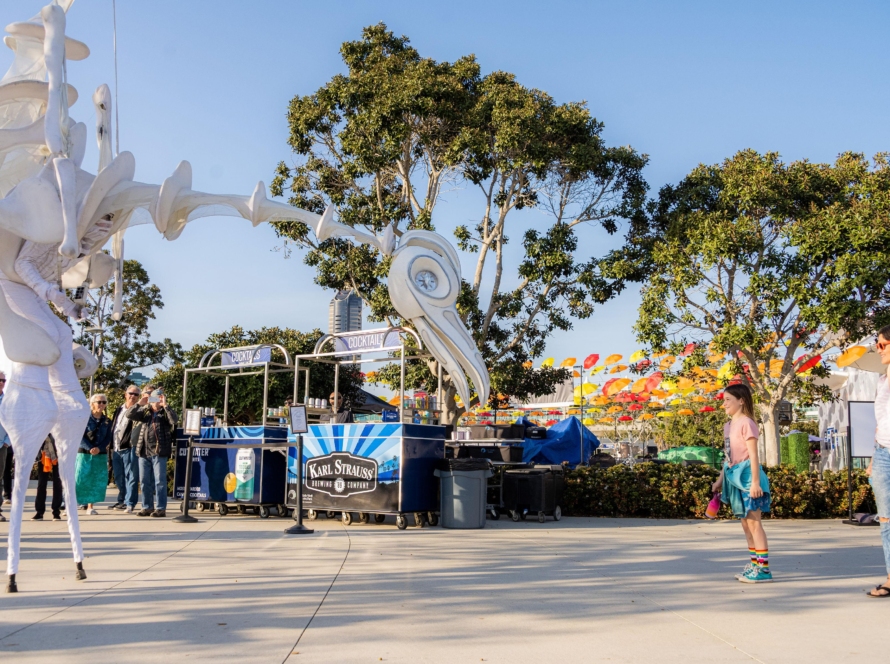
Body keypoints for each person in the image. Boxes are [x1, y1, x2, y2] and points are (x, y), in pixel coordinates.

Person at [711, 382, 772, 583]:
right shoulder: (728, 426)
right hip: (733, 478)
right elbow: (728, 457)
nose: (724, 404)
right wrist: (720, 480)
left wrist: (755, 483)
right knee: (746, 525)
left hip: (747, 478)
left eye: (728, 400)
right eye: (723, 400)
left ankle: (763, 570)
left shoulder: (747, 423)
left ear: (741, 401)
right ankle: (754, 566)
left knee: (754, 523)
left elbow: (754, 456)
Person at [866, 326, 890, 598]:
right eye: (878, 345)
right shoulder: (882, 380)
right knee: (886, 519)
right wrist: (874, 458)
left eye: (883, 345)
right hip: (883, 451)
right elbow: (881, 423)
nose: (878, 349)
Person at [128, 386, 177, 518]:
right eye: (154, 398)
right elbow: (129, 415)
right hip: (143, 451)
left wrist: (165, 405)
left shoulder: (165, 413)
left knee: (159, 480)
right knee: (144, 481)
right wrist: (139, 403)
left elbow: (174, 421)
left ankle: (161, 508)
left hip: (159, 451)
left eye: (159, 398)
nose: (156, 401)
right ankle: (147, 507)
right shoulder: (145, 413)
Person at [108, 385, 142, 513]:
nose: (132, 396)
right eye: (130, 393)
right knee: (118, 476)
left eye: (136, 394)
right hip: (116, 447)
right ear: (125, 394)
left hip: (129, 447)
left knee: (131, 476)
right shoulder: (119, 409)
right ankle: (121, 500)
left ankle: (130, 503)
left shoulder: (139, 411)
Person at [77, 394, 112, 515]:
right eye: (99, 402)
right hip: (84, 453)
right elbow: (79, 435)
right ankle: (72, 504)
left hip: (100, 453)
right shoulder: (83, 418)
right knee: (80, 478)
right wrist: (90, 447)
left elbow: (108, 437)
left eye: (104, 402)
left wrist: (99, 448)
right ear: (92, 404)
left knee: (95, 479)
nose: (102, 404)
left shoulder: (107, 421)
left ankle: (90, 506)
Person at [32, 435, 63, 521]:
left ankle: (56, 512)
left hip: (58, 454)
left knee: (57, 483)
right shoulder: (41, 422)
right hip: (44, 454)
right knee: (41, 484)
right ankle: (39, 512)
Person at [0, 370, 8, 522]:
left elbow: (15, 422)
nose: (1, 382)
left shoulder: (9, 400)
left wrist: (8, 442)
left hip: (2, 445)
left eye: (3, 380)